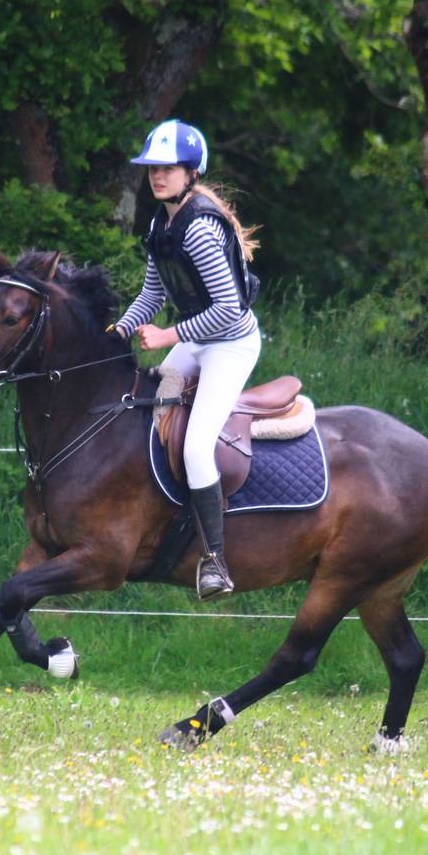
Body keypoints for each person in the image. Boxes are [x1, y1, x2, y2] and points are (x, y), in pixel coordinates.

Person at [110, 119, 261, 600]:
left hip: (230, 345)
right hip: (198, 339)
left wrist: (168, 335)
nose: (157, 176)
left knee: (197, 445)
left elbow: (228, 311)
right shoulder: (161, 222)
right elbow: (152, 293)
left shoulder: (197, 229)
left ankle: (215, 561)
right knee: (145, 414)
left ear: (191, 172)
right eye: (153, 168)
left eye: (168, 168)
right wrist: (121, 328)